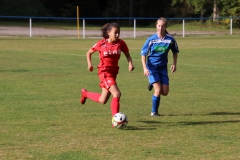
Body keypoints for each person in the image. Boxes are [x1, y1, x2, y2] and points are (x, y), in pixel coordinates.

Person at [80, 22, 134, 121]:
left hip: (113, 74)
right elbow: (89, 52)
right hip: (104, 73)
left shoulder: (121, 43)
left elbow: (127, 54)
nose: (117, 35)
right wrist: (89, 65)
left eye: (119, 33)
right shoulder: (101, 43)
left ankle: (85, 94)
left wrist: (130, 63)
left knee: (102, 100)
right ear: (108, 32)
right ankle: (116, 121)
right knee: (117, 93)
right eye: (115, 32)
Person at [140, 17, 179, 116]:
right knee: (157, 91)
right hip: (152, 67)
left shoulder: (170, 40)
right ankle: (154, 112)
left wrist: (174, 63)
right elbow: (143, 54)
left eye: (163, 26)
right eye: (159, 26)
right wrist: (145, 68)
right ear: (156, 26)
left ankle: (152, 83)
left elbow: (175, 52)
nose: (161, 28)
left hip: (162, 68)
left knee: (165, 92)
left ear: (166, 27)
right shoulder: (151, 39)